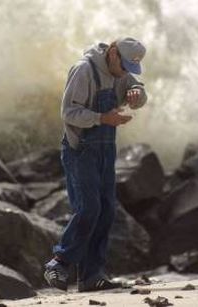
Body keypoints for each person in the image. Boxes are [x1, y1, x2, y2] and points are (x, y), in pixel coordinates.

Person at [43, 37, 148, 292]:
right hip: (80, 150)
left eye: (129, 69)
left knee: (107, 210)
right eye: (123, 66)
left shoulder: (122, 73)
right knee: (89, 208)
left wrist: (138, 94)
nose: (125, 73)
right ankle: (58, 263)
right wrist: (102, 118)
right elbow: (68, 112)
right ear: (112, 53)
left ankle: (92, 276)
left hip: (105, 150)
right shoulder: (83, 70)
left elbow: (138, 91)